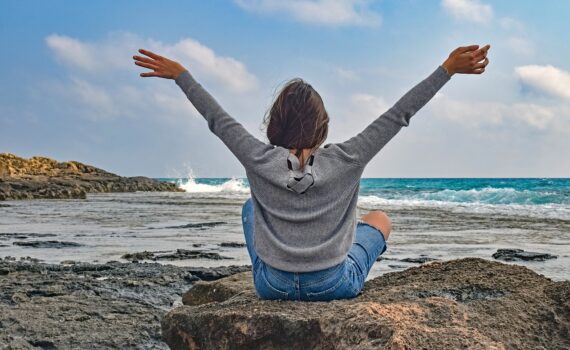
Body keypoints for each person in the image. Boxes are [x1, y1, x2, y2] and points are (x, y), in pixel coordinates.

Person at [133, 44, 490, 301]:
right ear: (322, 125)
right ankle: (336, 258)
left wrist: (182, 76)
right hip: (334, 285)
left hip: (271, 287)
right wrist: (447, 69)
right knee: (379, 218)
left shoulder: (257, 157)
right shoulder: (349, 157)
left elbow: (217, 119)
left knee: (249, 207)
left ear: (276, 123)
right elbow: (399, 114)